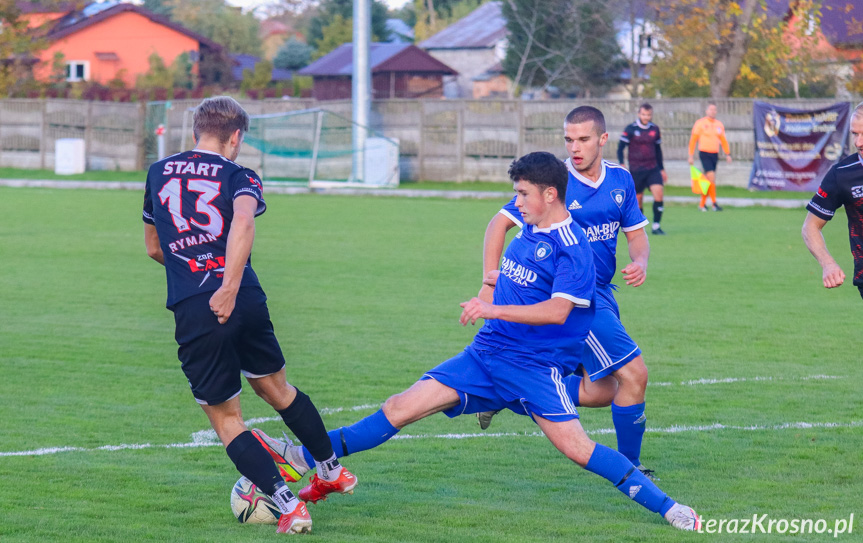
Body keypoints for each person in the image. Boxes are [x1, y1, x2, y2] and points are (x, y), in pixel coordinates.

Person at [254, 152, 699, 530]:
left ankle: (671, 509)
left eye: (523, 194)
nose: (516, 202)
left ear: (549, 195)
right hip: (485, 356)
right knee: (398, 407)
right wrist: (492, 285)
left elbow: (557, 312)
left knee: (581, 449)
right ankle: (302, 453)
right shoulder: (528, 230)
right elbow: (510, 265)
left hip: (533, 370)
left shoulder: (573, 246)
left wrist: (491, 307)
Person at [142, 96, 356, 535]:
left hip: (197, 307)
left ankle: (287, 505)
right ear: (236, 137)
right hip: (246, 296)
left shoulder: (158, 172)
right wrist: (232, 284)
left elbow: (153, 247)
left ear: (196, 130)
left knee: (226, 419)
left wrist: (203, 279)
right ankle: (332, 471)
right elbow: (243, 221)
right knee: (277, 389)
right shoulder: (240, 174)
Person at [478, 106, 655, 479]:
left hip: (604, 293)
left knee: (603, 390)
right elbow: (498, 224)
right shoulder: (554, 181)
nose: (575, 147)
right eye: (569, 139)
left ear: (603, 139)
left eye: (584, 139)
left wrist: (640, 262)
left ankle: (507, 392)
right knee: (635, 374)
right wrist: (489, 281)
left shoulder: (620, 181)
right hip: (576, 298)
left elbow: (637, 235)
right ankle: (631, 468)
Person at [802, 103, 863, 299]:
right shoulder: (842, 174)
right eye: (855, 134)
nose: (859, 142)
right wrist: (827, 263)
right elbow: (810, 226)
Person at [618, 102, 667, 235]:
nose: (646, 117)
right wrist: (622, 163)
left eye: (648, 115)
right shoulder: (630, 129)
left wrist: (662, 169)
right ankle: (640, 226)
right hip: (636, 170)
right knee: (638, 200)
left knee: (659, 193)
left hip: (653, 168)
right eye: (644, 114)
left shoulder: (655, 129)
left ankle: (656, 226)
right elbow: (620, 147)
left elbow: (658, 150)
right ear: (639, 114)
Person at [688, 102, 732, 211]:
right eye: (711, 109)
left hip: (714, 154)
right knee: (711, 177)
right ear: (707, 111)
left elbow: (723, 140)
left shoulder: (719, 124)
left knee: (709, 180)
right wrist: (691, 155)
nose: (713, 111)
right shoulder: (700, 123)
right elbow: (693, 140)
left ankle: (702, 204)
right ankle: (714, 203)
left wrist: (728, 154)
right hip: (704, 153)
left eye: (714, 110)